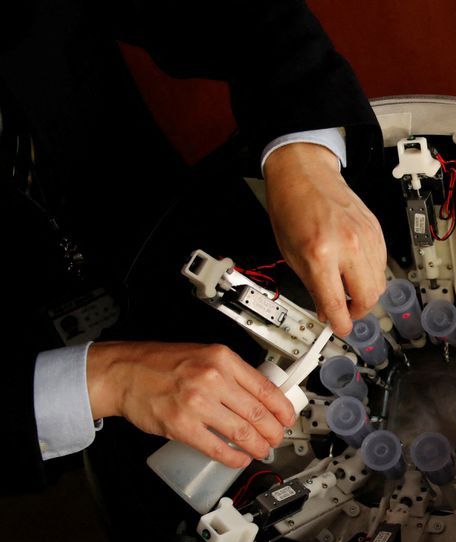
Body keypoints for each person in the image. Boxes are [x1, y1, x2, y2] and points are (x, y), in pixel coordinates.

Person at [2, 0, 386, 488]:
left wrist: (302, 155)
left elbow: (243, 13)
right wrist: (104, 379)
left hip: (164, 221)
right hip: (43, 392)